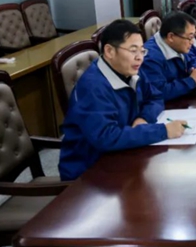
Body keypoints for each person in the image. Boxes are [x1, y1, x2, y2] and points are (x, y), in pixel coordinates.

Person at [59, 20, 185, 181]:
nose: (140, 58)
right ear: (109, 51)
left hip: (122, 153)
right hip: (89, 171)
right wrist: (163, 131)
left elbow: (155, 96)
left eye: (142, 51)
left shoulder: (131, 70)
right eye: (133, 51)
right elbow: (106, 137)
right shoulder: (93, 87)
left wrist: (144, 118)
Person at [142, 11, 196, 101]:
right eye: (190, 37)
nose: (192, 42)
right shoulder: (150, 57)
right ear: (171, 37)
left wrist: (194, 69)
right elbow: (158, 92)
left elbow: (191, 61)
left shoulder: (179, 44)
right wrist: (191, 81)